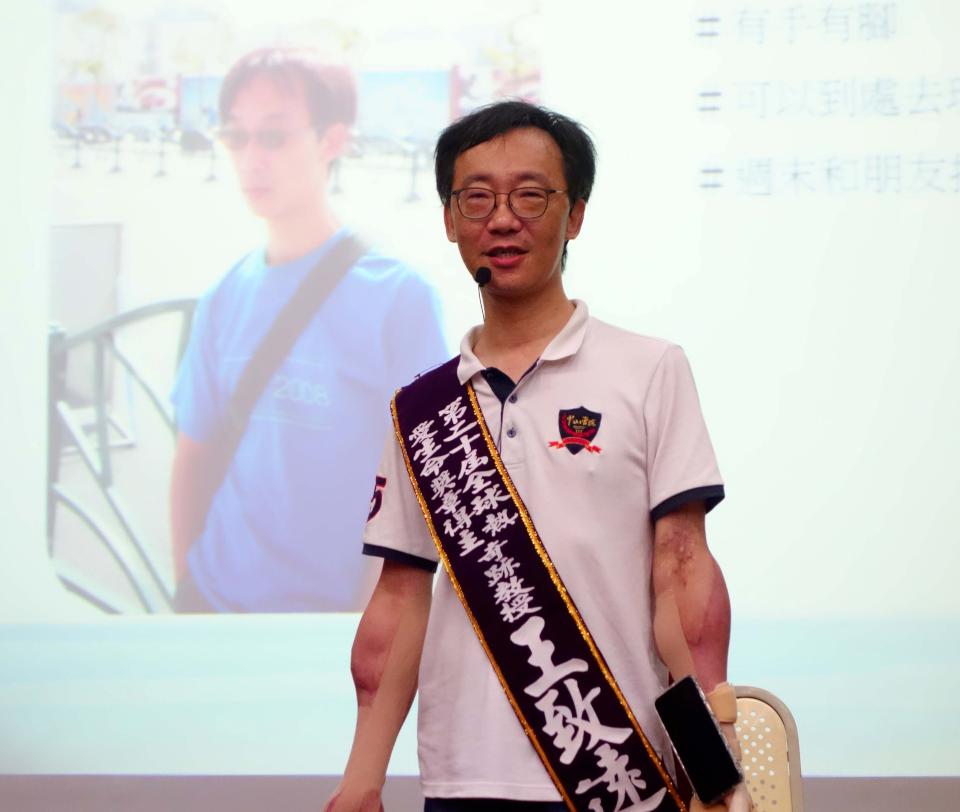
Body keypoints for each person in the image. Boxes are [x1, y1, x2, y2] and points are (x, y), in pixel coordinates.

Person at [327, 101, 744, 811]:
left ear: (574, 214)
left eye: (529, 195)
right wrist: (362, 779)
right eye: (477, 198)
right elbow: (398, 600)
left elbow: (681, 569)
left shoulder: (648, 370)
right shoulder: (421, 410)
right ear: (450, 219)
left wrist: (713, 763)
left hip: (620, 777)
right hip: (463, 778)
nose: (502, 220)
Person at [169, 48, 446, 612]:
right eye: (236, 136)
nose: (251, 158)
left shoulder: (399, 297)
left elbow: (426, 483)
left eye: (273, 136)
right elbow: (192, 456)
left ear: (332, 140)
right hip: (214, 599)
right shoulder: (224, 297)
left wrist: (373, 622)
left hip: (334, 621)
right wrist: (185, 589)